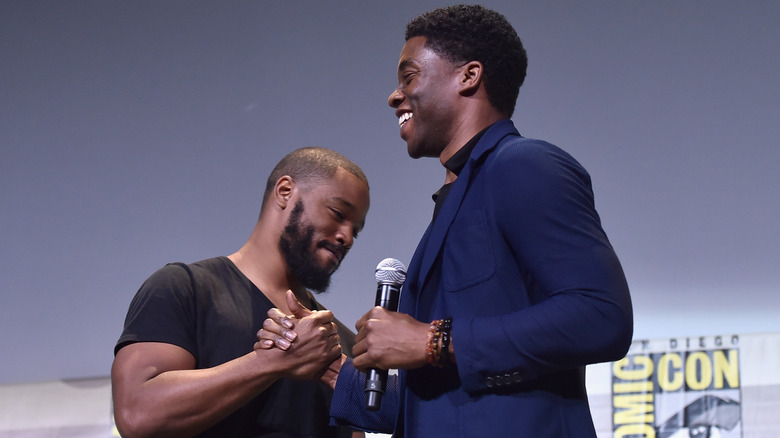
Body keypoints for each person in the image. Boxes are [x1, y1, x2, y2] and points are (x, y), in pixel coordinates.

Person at [258, 5, 633, 437]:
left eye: (409, 76)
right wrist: (329, 364)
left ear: (468, 76)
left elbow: (601, 316)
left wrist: (432, 340)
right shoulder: (453, 203)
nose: (394, 96)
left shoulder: (525, 165)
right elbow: (442, 409)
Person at [111, 147, 370, 437]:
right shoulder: (185, 289)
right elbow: (137, 415)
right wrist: (268, 363)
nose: (346, 237)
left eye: (355, 231)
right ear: (285, 192)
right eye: (337, 213)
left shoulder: (341, 346)